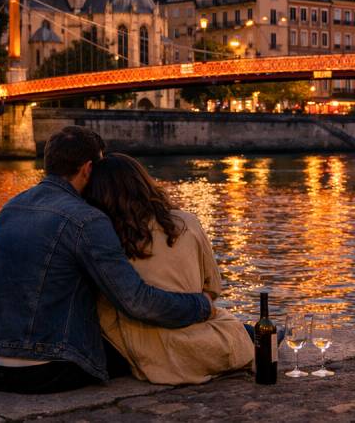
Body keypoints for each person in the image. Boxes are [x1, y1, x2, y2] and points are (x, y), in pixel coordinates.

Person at [0, 126, 212, 394]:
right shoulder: (87, 220)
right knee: (142, 348)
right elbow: (136, 302)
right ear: (88, 169)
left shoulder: (12, 206)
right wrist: (200, 305)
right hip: (44, 368)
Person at [87, 153, 254, 385]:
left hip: (148, 352)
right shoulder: (187, 223)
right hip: (202, 343)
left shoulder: (104, 237)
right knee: (240, 328)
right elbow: (213, 287)